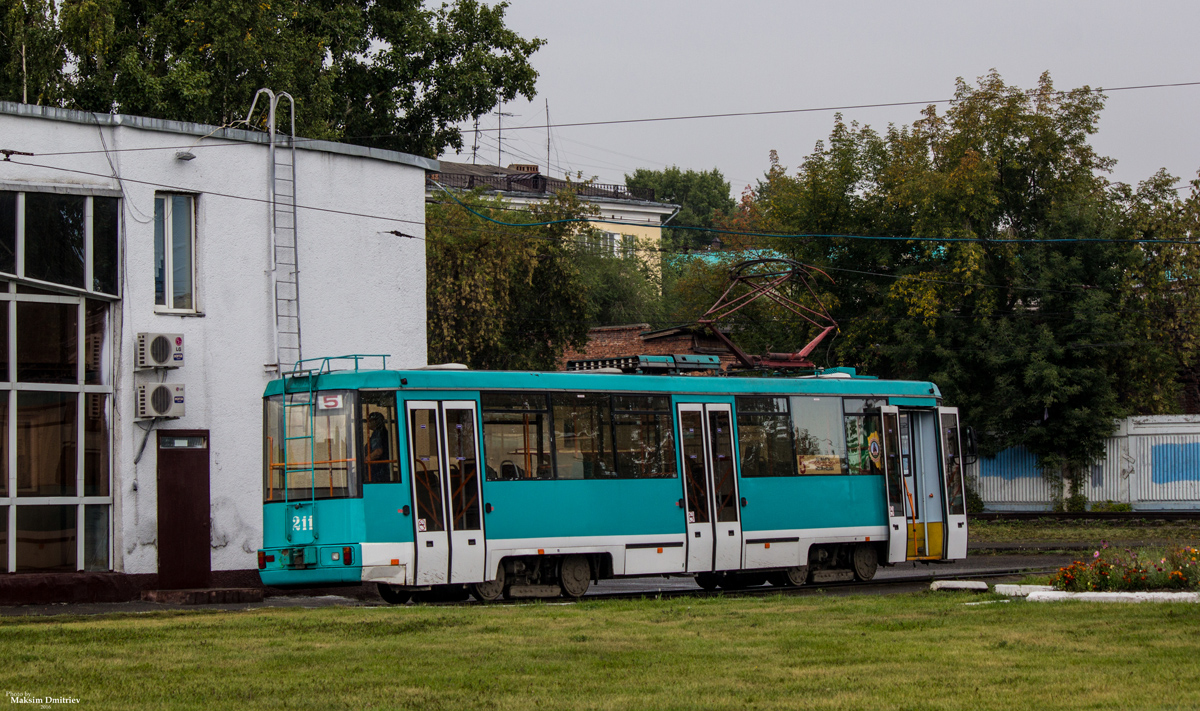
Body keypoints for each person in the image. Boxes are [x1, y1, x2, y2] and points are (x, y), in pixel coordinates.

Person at [366, 411, 391, 482]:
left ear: (377, 421)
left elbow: (378, 452)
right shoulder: (383, 432)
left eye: (370, 421)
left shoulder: (377, 434)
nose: (368, 423)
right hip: (382, 469)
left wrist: (365, 460)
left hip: (378, 470)